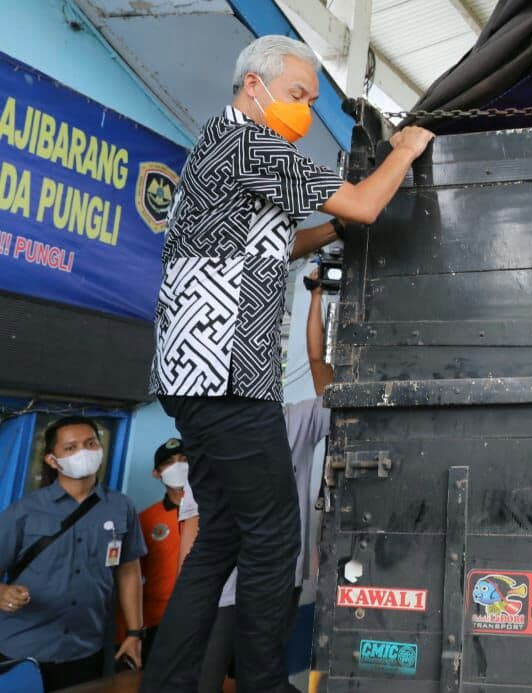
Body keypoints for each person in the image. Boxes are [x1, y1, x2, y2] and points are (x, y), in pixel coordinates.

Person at [144, 35, 433, 693]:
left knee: (220, 536)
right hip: (227, 374)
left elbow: (276, 243)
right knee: (274, 538)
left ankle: (169, 681)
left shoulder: (216, 148)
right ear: (255, 85)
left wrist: (332, 229)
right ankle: (266, 682)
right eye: (298, 95)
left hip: (191, 376)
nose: (304, 109)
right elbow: (362, 201)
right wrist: (407, 151)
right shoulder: (251, 143)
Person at [188, 269, 336, 693]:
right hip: (222, 589)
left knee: (264, 678)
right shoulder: (211, 435)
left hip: (280, 583)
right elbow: (193, 526)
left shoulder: (295, 421)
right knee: (205, 679)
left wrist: (315, 299)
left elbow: (318, 367)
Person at [0, 416, 145, 691]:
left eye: (91, 443)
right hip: (22, 647)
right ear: (52, 460)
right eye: (71, 448)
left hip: (85, 647)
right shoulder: (25, 510)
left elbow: (128, 571)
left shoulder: (121, 506)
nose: (84, 452)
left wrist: (135, 633)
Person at [114, 438, 189, 663]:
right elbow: (129, 577)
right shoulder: (146, 520)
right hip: (157, 621)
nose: (179, 466)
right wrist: (129, 632)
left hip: (208, 617)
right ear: (157, 473)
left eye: (185, 460)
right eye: (169, 462)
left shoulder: (220, 513)